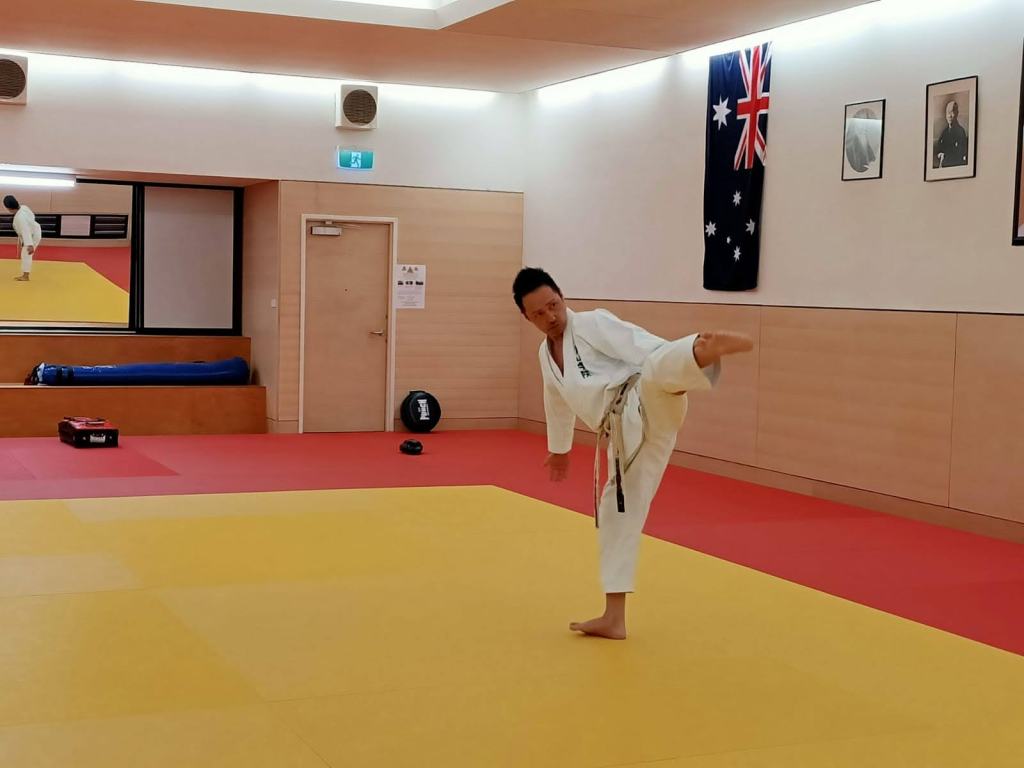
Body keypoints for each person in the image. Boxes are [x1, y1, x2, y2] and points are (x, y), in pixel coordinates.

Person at [514, 267, 753, 639]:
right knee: (616, 512)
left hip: (639, 401)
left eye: (553, 305)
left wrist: (680, 353)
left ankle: (698, 350)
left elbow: (638, 343)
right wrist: (559, 450)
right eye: (538, 314)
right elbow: (556, 401)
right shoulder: (546, 356)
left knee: (656, 370)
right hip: (626, 436)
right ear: (526, 318)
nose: (550, 317)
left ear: (562, 297)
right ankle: (614, 617)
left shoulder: (591, 323)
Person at [4, 195, 41, 281]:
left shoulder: (19, 218)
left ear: (8, 208)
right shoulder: (24, 207)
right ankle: (25, 275)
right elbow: (32, 217)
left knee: (26, 254)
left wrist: (30, 244)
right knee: (25, 253)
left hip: (32, 236)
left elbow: (25, 230)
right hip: (34, 230)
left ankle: (25, 276)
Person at [934, 99, 968, 168]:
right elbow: (938, 149)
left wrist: (946, 155)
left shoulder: (960, 132)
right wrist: (940, 154)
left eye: (952, 112)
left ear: (957, 113)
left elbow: (961, 153)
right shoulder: (944, 132)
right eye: (948, 113)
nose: (950, 116)